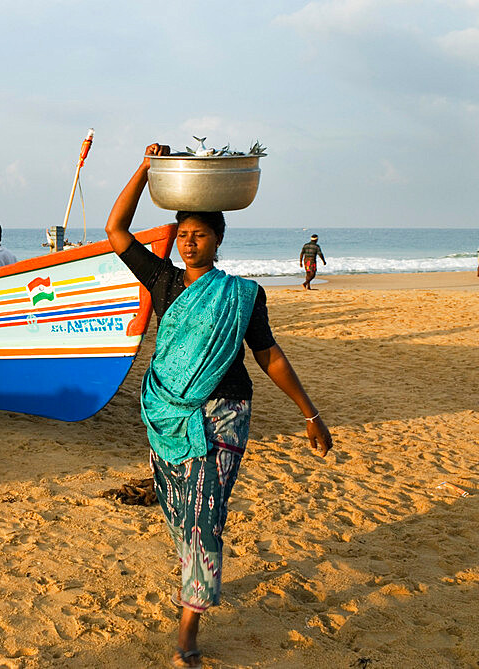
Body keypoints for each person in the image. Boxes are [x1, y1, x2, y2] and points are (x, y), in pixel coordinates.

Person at [105, 143, 333, 668]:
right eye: (182, 235)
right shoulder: (162, 280)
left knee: (207, 515)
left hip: (225, 413)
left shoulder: (243, 295)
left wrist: (309, 411)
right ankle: (194, 579)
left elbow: (269, 355)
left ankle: (190, 620)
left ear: (218, 239)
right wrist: (144, 169)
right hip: (167, 414)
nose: (189, 243)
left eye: (199, 235)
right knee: (180, 512)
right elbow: (117, 230)